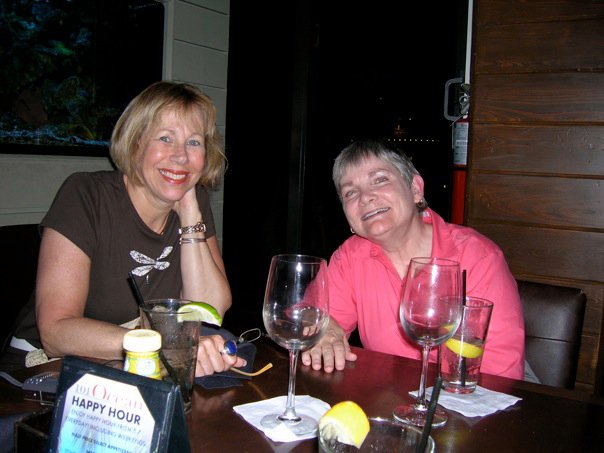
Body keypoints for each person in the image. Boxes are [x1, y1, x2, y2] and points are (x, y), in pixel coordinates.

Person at [3, 81, 245, 376]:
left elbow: (209, 310)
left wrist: (190, 211)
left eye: (194, 142)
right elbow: (56, 333)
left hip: (136, 366)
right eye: (165, 138)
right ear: (136, 142)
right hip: (42, 369)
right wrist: (158, 345)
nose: (181, 156)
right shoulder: (86, 194)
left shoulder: (194, 204)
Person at [301, 139, 525, 380]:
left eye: (380, 180)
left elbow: (500, 377)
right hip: (388, 398)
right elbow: (305, 315)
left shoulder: (477, 258)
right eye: (350, 193)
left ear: (415, 189)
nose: (365, 197)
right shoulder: (351, 257)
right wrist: (322, 325)